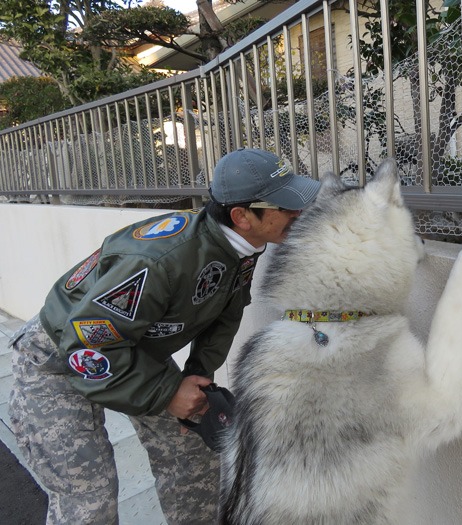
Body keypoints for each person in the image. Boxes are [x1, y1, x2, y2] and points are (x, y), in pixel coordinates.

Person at [8, 148, 321, 525]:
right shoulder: (159, 261)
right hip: (57, 361)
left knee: (196, 463)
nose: (298, 214)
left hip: (133, 353)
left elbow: (226, 313)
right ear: (242, 216)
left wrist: (196, 379)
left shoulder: (239, 246)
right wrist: (167, 393)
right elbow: (86, 347)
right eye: (286, 206)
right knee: (89, 501)